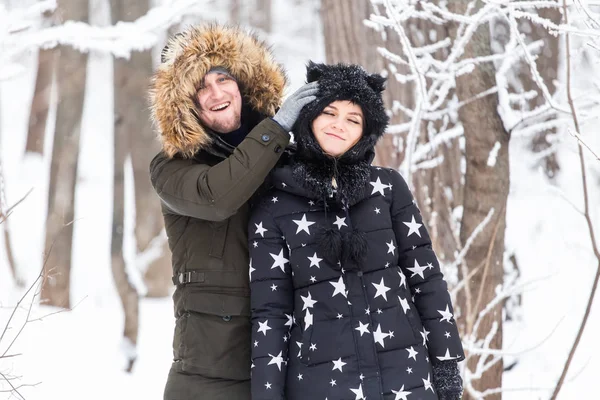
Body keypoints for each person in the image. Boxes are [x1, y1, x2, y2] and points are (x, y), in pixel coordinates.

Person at [248, 62, 465, 400]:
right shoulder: (273, 203)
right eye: (329, 113)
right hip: (321, 385)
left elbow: (426, 279)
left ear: (367, 132)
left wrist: (447, 360)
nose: (339, 125)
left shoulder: (389, 188)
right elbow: (270, 314)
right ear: (308, 117)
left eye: (353, 119)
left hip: (405, 379)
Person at [148, 24, 317, 400]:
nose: (216, 93)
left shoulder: (287, 154)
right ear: (186, 105)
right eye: (201, 88)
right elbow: (218, 196)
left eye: (223, 79)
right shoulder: (173, 167)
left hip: (296, 353)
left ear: (243, 86)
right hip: (212, 366)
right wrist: (276, 129)